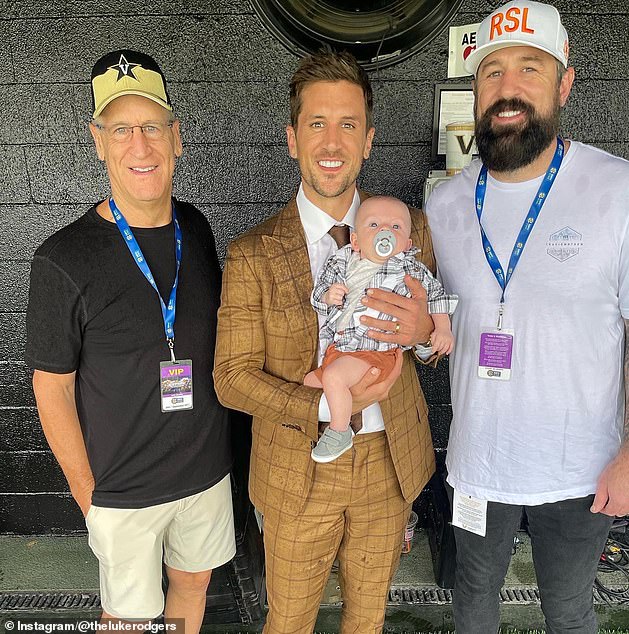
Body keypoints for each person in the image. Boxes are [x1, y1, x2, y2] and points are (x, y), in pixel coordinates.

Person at [425, 2, 629, 631]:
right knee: (473, 595)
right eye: (492, 72)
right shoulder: (445, 201)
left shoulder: (619, 190)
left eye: (529, 68)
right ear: (475, 89)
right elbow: (432, 325)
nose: (508, 89)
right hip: (477, 462)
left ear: (565, 83)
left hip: (582, 467)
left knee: (569, 609)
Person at [214, 50, 438, 633]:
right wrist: (323, 407)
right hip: (297, 472)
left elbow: (439, 340)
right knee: (288, 622)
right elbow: (230, 377)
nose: (332, 142)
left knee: (367, 622)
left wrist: (426, 333)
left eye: (348, 124)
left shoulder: (412, 228)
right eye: (317, 124)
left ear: (368, 140)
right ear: (292, 139)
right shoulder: (254, 253)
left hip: (388, 470)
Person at [25, 50, 235, 631]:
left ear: (177, 139)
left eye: (151, 128)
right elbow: (52, 390)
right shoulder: (62, 258)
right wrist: (90, 497)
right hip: (122, 490)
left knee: (193, 588)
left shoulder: (196, 227)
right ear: (98, 140)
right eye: (121, 129)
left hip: (204, 473)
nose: (139, 146)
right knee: (129, 617)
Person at [305, 195, 457, 462]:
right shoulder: (341, 262)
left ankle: (339, 431)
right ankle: (342, 409)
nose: (385, 231)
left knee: (334, 379)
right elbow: (318, 296)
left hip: (377, 354)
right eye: (373, 225)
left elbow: (435, 298)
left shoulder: (409, 268)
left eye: (396, 227)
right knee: (309, 383)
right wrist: (329, 295)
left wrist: (440, 329)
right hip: (340, 349)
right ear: (355, 240)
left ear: (408, 244)